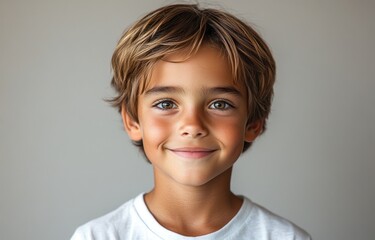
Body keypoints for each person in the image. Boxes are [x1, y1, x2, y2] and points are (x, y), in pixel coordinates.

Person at [71, 3, 311, 240]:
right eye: (166, 104)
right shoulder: (96, 236)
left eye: (220, 104)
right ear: (133, 121)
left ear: (253, 122)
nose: (193, 125)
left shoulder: (286, 237)